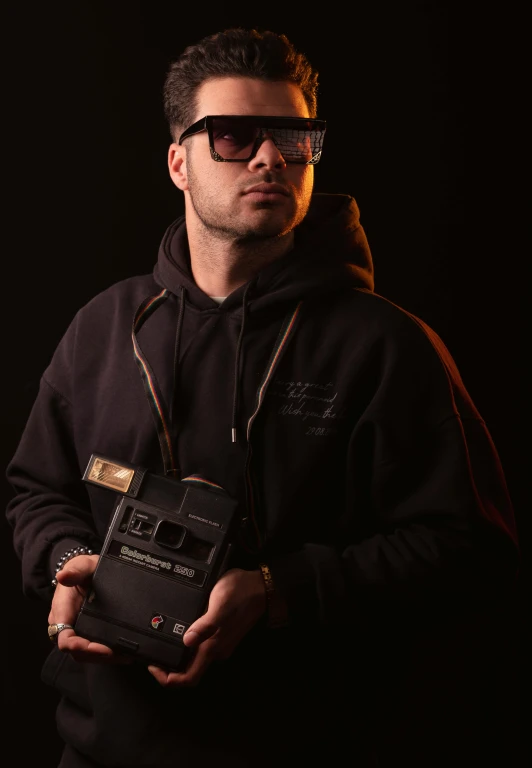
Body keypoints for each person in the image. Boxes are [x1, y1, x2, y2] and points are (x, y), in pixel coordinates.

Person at [5, 26, 521, 768]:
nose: (272, 157)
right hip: (102, 748)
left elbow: (471, 549)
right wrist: (71, 559)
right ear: (179, 162)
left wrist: (278, 590)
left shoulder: (387, 345)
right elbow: (35, 489)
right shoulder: (104, 327)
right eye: (236, 136)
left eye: (293, 137)